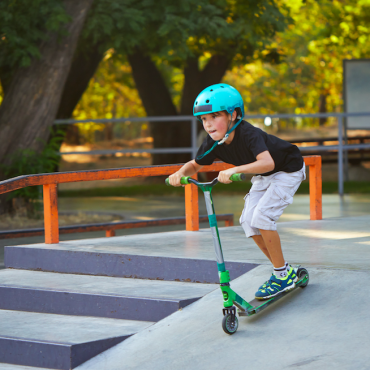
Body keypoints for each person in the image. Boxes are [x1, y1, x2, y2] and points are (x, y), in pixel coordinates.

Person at [168, 83, 306, 300]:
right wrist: (180, 173)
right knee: (248, 221)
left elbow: (267, 163)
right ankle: (284, 271)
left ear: (233, 114)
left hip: (287, 169)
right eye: (203, 119)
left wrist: (235, 170)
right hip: (264, 174)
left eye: (214, 116)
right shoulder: (215, 142)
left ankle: (280, 274)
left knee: (262, 217)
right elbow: (195, 164)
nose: (208, 124)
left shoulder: (249, 134)